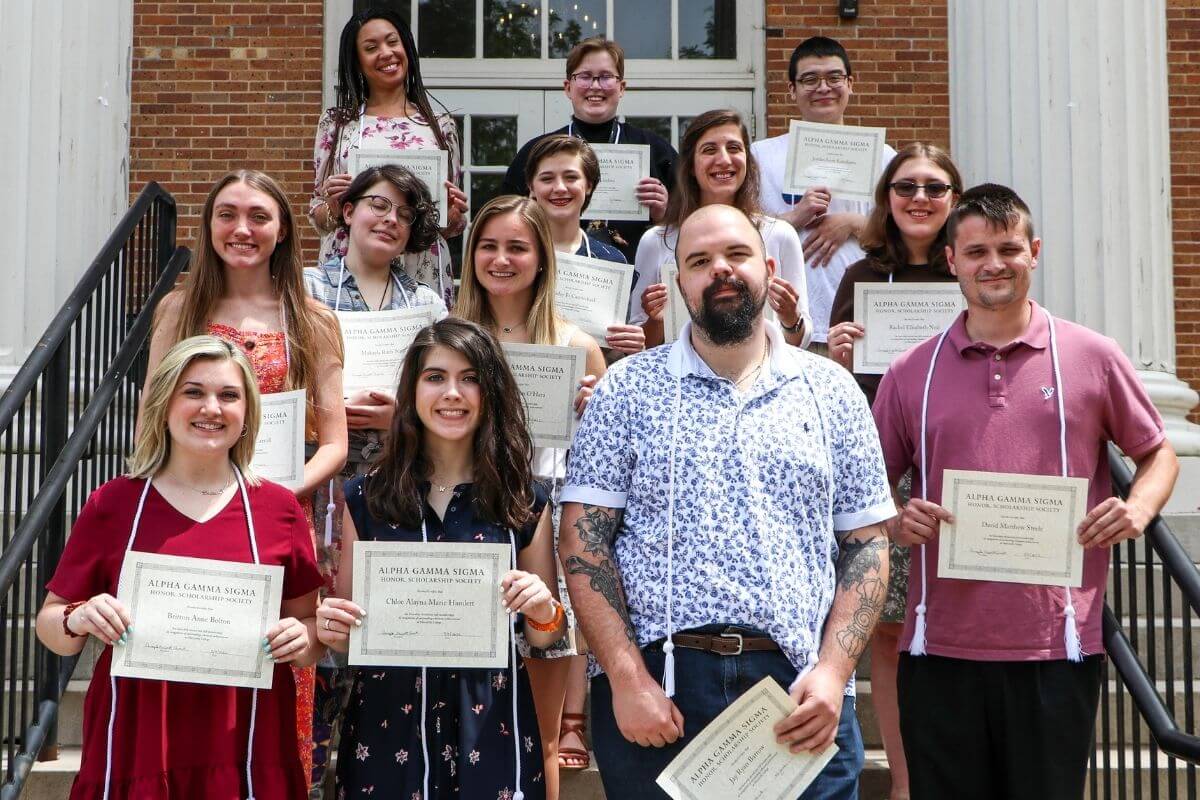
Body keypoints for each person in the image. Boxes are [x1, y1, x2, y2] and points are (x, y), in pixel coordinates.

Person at [559, 203, 896, 799]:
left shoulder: (832, 391)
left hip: (800, 691)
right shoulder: (626, 389)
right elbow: (584, 542)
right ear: (678, 282)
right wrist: (626, 678)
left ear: (769, 269)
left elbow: (866, 544)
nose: (720, 269)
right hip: (662, 689)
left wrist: (833, 673)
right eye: (699, 261)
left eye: (737, 254)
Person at [872, 184, 1179, 799]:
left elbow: (1158, 453)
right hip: (939, 647)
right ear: (951, 261)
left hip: (1055, 643)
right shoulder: (910, 371)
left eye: (1009, 248)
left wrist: (1138, 508)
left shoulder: (1092, 356)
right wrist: (896, 520)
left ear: (1034, 252)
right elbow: (868, 487)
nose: (994, 264)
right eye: (976, 251)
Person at [38, 335, 324, 799]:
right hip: (139, 735)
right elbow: (51, 625)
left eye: (228, 395)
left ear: (248, 412)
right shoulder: (114, 503)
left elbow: (309, 631)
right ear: (165, 404)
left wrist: (302, 637)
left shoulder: (279, 509)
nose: (211, 408)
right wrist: (79, 615)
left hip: (245, 737)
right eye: (193, 392)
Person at [144, 169, 348, 785]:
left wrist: (275, 498)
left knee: (278, 676)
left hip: (278, 520)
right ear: (208, 226)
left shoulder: (312, 319)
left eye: (259, 216)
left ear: (283, 230)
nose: (242, 229)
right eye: (227, 215)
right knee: (190, 676)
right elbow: (150, 421)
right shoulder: (179, 309)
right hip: (189, 515)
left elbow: (334, 443)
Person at [315, 318, 566, 800]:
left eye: (470, 378)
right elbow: (347, 636)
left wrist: (542, 608)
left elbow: (546, 635)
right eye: (435, 377)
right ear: (412, 391)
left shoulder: (522, 498)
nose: (452, 392)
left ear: (491, 391)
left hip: (490, 722)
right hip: (388, 724)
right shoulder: (367, 497)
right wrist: (333, 625)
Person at [454, 194, 607, 799]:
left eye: (517, 247)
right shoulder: (450, 338)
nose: (501, 259)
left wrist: (594, 412)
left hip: (544, 527)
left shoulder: (577, 345)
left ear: (542, 257)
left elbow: (603, 460)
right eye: (488, 246)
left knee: (541, 727)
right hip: (463, 526)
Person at [303, 163, 448, 793]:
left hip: (394, 488)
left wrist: (403, 417)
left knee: (379, 632)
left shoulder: (427, 304)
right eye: (378, 205)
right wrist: (327, 410)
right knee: (318, 632)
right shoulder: (307, 289)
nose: (390, 220)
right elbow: (277, 385)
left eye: (405, 214)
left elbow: (446, 397)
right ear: (348, 210)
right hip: (317, 483)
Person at [825, 142, 961, 800]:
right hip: (883, 468)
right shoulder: (861, 277)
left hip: (960, 467)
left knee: (957, 623)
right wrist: (839, 358)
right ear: (887, 199)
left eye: (935, 187)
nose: (920, 198)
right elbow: (837, 393)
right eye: (906, 187)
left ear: (954, 200)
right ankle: (906, 785)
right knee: (886, 629)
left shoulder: (972, 270)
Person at [309, 7, 468, 307]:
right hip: (351, 265)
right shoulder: (337, 124)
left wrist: (453, 215)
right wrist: (334, 206)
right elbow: (318, 215)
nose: (386, 53)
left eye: (392, 42)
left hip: (422, 264)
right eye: (371, 48)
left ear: (406, 47)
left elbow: (446, 224)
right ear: (357, 62)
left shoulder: (440, 125)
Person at [752, 36, 898, 354]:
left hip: (861, 326)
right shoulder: (760, 156)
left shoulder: (883, 156)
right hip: (788, 328)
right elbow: (740, 231)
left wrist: (853, 223)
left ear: (850, 84)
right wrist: (793, 217)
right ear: (792, 89)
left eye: (834, 77)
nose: (823, 87)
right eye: (809, 79)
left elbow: (906, 234)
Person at [633, 109, 811, 349]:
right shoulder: (656, 240)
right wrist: (655, 321)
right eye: (709, 150)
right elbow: (638, 343)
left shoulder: (780, 234)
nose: (724, 160)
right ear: (690, 166)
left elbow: (800, 342)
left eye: (734, 148)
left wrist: (790, 319)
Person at [501, 37, 675, 262]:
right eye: (584, 76)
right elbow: (505, 225)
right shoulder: (537, 152)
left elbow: (692, 229)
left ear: (621, 87)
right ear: (568, 87)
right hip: (552, 273)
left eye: (606, 77)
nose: (595, 86)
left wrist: (665, 215)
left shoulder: (654, 150)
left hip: (638, 278)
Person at [526, 134, 645, 356]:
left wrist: (632, 347)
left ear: (589, 185)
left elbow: (613, 354)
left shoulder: (611, 260)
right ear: (531, 186)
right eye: (547, 179)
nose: (560, 188)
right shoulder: (515, 256)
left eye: (571, 177)